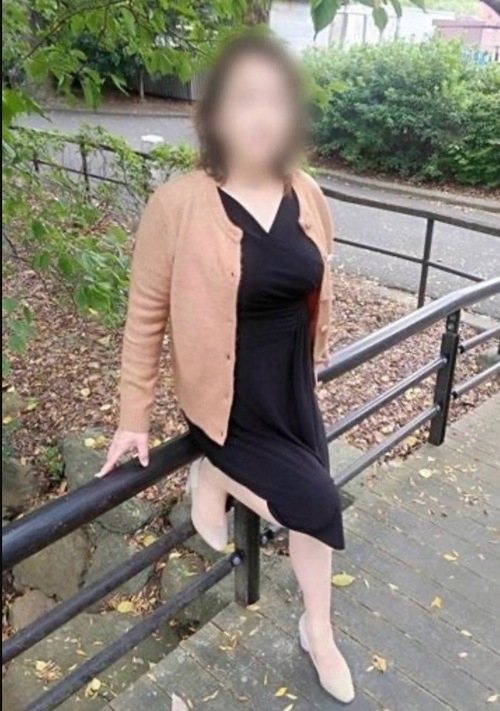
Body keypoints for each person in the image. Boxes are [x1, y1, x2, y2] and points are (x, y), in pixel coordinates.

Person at [98, 33, 355, 704]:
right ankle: (213, 466)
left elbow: (320, 279)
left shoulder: (306, 192)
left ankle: (319, 629)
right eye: (244, 99)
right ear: (214, 113)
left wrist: (318, 350)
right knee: (317, 501)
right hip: (227, 397)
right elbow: (145, 315)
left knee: (312, 517)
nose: (262, 115)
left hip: (292, 386)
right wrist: (133, 415)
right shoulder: (178, 204)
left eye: (275, 100)